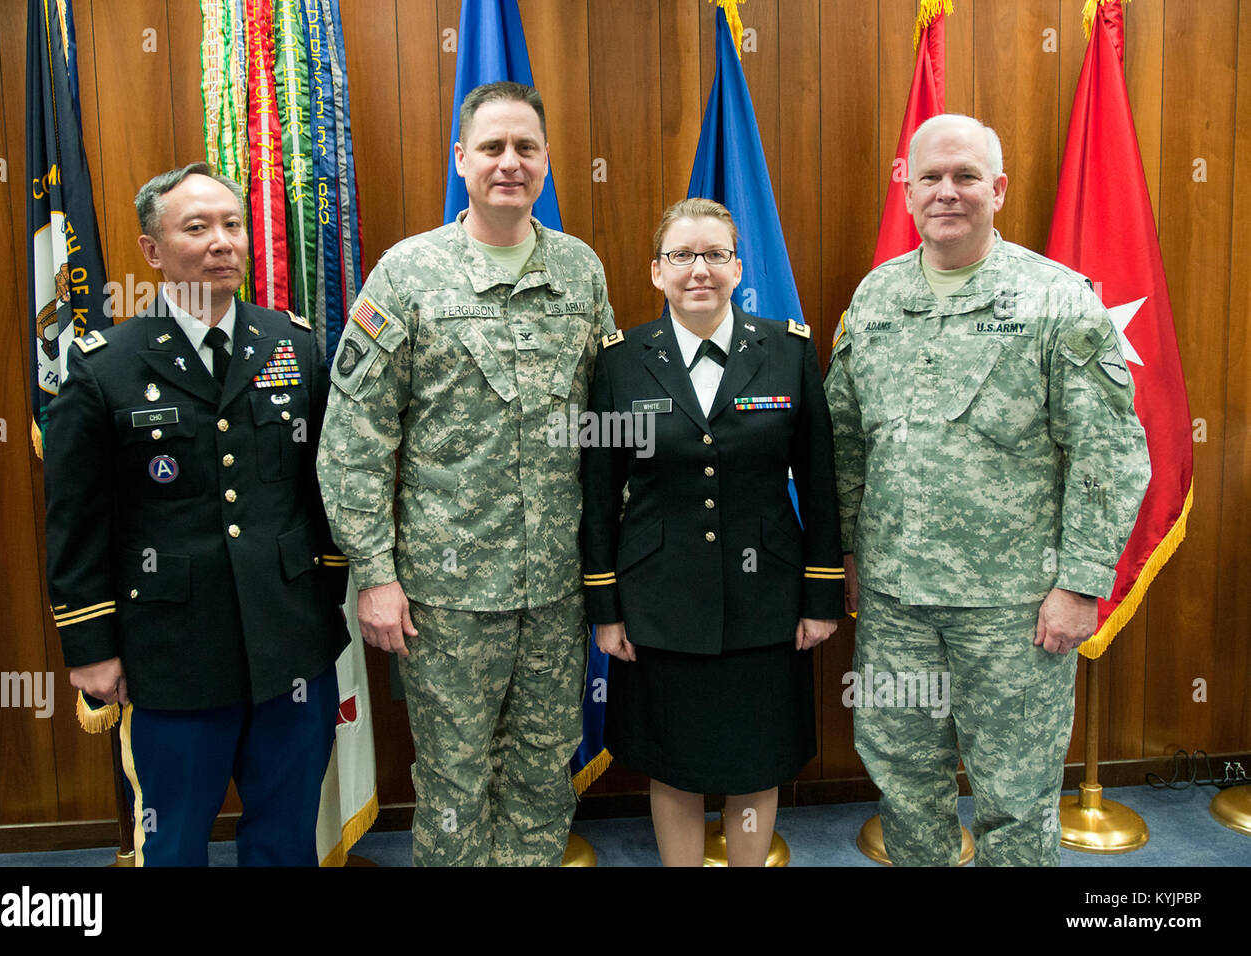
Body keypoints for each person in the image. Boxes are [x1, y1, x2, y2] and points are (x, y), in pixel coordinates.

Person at [824, 114, 1151, 866]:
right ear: (906, 189)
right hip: (897, 604)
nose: (948, 192)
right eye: (930, 176)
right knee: (905, 786)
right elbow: (844, 439)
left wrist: (1080, 584)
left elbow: (1109, 452)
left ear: (997, 190)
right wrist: (844, 549)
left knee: (1016, 799)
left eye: (966, 177)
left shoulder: (1057, 300)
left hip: (1014, 611)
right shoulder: (876, 298)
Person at [316, 81, 614, 866]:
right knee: (452, 784)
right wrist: (375, 573)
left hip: (556, 585)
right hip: (446, 596)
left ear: (546, 162)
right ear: (462, 160)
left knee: (546, 777)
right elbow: (353, 438)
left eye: (525, 148)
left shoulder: (581, 272)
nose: (509, 163)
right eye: (492, 147)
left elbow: (608, 420)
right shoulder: (408, 274)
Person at [44, 163, 349, 866]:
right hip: (173, 654)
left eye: (233, 224)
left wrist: (323, 596)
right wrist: (90, 647)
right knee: (175, 841)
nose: (222, 242)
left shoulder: (292, 346)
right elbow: (75, 520)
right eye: (198, 227)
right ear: (152, 251)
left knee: (285, 838)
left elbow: (323, 487)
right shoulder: (104, 366)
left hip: (290, 647)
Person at [581, 198, 844, 866]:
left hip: (766, 598)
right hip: (659, 600)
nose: (699, 269)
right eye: (682, 256)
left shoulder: (787, 351)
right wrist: (605, 608)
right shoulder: (618, 362)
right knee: (673, 762)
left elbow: (818, 478)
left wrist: (821, 595)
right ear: (655, 271)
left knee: (757, 761)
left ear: (737, 267)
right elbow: (597, 489)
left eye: (714, 254)